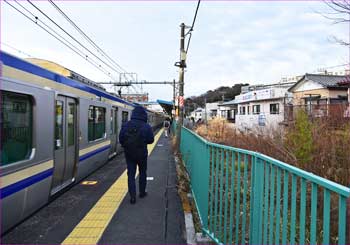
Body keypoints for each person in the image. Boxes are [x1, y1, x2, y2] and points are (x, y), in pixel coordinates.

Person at [119, 106, 154, 204]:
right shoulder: (146, 126)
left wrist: (126, 145)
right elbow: (151, 140)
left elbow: (121, 139)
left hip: (129, 154)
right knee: (142, 172)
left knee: (131, 175)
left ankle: (132, 197)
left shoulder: (126, 125)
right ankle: (142, 192)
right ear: (144, 115)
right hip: (142, 154)